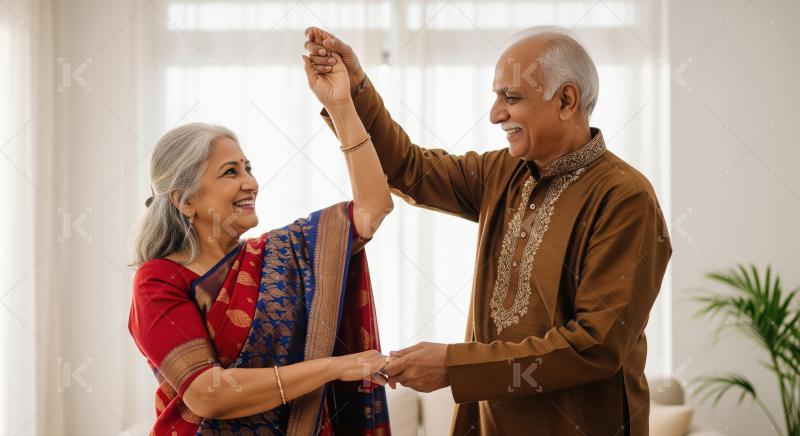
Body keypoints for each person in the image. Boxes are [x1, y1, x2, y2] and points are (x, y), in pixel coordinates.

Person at [304, 26, 672, 435]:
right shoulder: (504, 172)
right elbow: (408, 169)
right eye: (497, 97)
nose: (496, 114)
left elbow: (596, 345)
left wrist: (454, 367)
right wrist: (353, 93)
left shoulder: (624, 198)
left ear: (566, 100)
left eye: (511, 98)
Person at [128, 48, 394, 435]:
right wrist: (334, 368)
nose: (250, 183)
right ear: (185, 201)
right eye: (230, 172)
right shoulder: (158, 281)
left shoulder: (284, 254)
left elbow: (373, 206)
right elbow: (208, 394)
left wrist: (341, 106)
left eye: (248, 168)